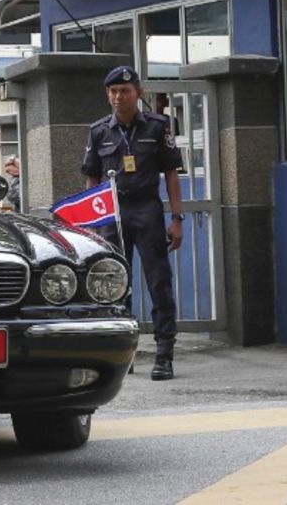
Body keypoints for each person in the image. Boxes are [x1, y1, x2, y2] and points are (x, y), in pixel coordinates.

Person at [82, 65, 184, 381]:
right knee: (115, 285)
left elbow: (170, 174)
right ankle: (122, 354)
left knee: (159, 283)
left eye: (125, 91)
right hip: (113, 215)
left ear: (137, 93)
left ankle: (164, 355)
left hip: (147, 211)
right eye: (113, 92)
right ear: (107, 95)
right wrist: (92, 224)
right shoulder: (99, 130)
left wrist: (177, 218)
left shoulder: (157, 126)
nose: (118, 97)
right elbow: (92, 178)